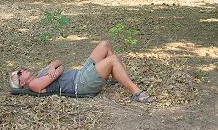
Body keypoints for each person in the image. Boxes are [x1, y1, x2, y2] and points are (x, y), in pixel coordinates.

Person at [9, 41, 153, 103]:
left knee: (105, 45)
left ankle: (116, 75)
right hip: (80, 84)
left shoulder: (39, 73)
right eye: (19, 74)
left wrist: (53, 68)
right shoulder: (34, 84)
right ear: (22, 84)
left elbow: (58, 63)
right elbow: (60, 71)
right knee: (113, 59)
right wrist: (56, 70)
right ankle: (137, 93)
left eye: (20, 70)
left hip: (81, 74)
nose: (22, 70)